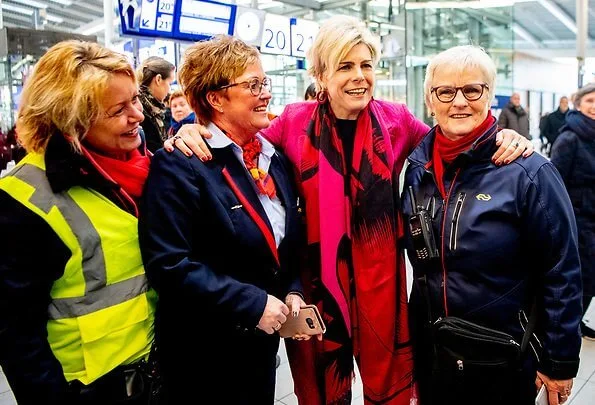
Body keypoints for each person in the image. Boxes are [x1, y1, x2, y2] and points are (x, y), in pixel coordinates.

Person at [167, 16, 533, 405]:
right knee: (324, 390)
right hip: (315, 289)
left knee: (388, 386)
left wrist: (500, 135)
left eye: (366, 65)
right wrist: (192, 129)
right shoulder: (293, 122)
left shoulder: (394, 120)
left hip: (382, 286)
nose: (360, 76)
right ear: (320, 74)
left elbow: (451, 144)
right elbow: (239, 144)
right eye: (345, 66)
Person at [403, 45, 582, 405]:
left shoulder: (528, 173)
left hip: (503, 358)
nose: (459, 102)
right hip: (434, 354)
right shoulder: (416, 171)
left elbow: (562, 269)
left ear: (489, 96)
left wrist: (560, 360)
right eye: (446, 91)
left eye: (473, 90)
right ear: (429, 100)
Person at [138, 35, 312, 404]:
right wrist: (252, 304)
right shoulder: (181, 163)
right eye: (253, 85)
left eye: (264, 82)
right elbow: (168, 264)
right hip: (202, 361)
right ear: (215, 99)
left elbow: (286, 244)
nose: (265, 93)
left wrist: (293, 288)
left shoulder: (271, 159)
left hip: (258, 355)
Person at [0, 41, 157, 404]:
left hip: (154, 373)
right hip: (88, 389)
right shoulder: (23, 199)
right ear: (71, 120)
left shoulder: (146, 167)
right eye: (119, 109)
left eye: (136, 99)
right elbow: (16, 333)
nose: (138, 116)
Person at [551, 83, 595, 341]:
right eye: (590, 101)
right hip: (577, 221)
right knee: (580, 278)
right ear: (578, 104)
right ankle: (569, 325)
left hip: (593, 218)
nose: (594, 107)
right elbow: (555, 184)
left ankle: (577, 322)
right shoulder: (569, 137)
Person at [137, 56, 175, 153]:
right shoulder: (141, 110)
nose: (169, 89)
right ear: (158, 79)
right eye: (169, 83)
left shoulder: (152, 108)